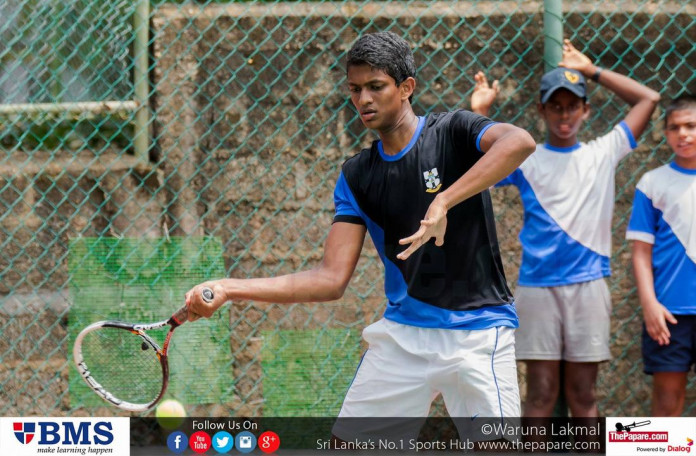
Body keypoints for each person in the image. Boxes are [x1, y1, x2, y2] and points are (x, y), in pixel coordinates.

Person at [185, 31, 535, 442]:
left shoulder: (453, 131)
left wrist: (444, 200)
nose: (364, 99)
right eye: (355, 89)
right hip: (404, 337)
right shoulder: (357, 175)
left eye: (376, 87)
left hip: (479, 333)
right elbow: (331, 279)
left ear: (406, 88)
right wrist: (228, 288)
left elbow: (519, 142)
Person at [475, 39, 660, 418]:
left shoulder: (602, 153)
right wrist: (478, 113)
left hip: (587, 285)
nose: (564, 115)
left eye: (572, 106)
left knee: (583, 395)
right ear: (541, 110)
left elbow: (648, 99)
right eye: (556, 106)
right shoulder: (526, 158)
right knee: (540, 394)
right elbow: (470, 160)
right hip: (538, 287)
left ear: (586, 110)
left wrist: (592, 70)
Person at [626, 94, 696, 416]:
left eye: (691, 126)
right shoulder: (651, 183)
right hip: (668, 314)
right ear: (665, 134)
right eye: (674, 127)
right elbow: (640, 253)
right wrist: (650, 304)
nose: (683, 134)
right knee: (668, 402)